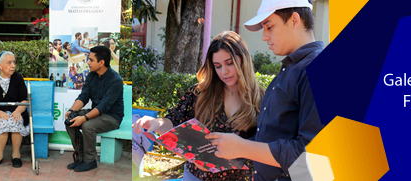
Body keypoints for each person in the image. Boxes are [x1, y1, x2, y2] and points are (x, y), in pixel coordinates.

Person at [203, 0, 325, 180]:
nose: (264, 36)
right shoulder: (290, 69)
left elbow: (312, 156)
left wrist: (244, 147)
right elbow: (272, 138)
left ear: (294, 20)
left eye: (269, 27)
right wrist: (230, 150)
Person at [134, 31, 264, 180]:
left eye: (229, 63)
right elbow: (174, 121)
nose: (224, 72)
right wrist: (156, 123)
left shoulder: (261, 99)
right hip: (197, 176)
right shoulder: (200, 93)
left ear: (243, 60)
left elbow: (266, 146)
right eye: (217, 66)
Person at [64, 46, 124, 172]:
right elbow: (84, 96)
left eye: (91, 60)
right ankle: (80, 158)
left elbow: (104, 105)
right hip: (97, 113)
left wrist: (84, 118)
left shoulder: (115, 80)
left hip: (112, 117)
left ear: (101, 63)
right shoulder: (91, 75)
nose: (88, 62)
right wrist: (72, 111)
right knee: (70, 120)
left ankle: (89, 161)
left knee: (87, 126)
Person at [0, 51, 31, 169]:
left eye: (14, 62)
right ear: (0, 65)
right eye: (9, 63)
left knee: (16, 119)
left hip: (16, 111)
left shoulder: (18, 78)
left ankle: (16, 154)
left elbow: (25, 100)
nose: (13, 65)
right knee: (3, 121)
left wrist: (19, 111)